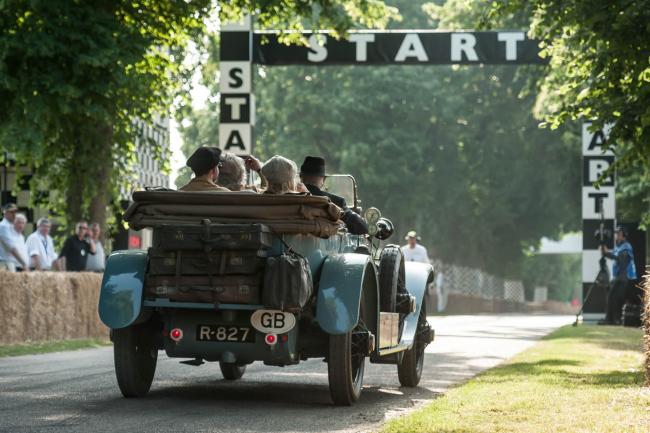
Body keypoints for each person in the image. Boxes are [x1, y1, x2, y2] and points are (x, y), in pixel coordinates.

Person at [299, 156, 368, 235]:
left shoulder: (287, 199)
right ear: (323, 179)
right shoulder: (336, 202)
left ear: (301, 177)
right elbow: (362, 227)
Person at [599, 226, 637, 325]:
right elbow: (614, 255)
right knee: (612, 297)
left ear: (624, 236)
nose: (617, 236)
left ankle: (615, 320)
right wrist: (606, 253)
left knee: (616, 298)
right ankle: (611, 320)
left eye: (619, 234)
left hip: (625, 278)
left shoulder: (626, 246)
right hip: (618, 277)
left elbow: (620, 258)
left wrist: (608, 253)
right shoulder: (619, 247)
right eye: (617, 234)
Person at [0, 205, 30, 271]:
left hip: (11, 263)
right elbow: (12, 248)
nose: (14, 214)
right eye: (11, 212)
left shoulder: (10, 227)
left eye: (15, 212)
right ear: (5, 213)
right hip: (5, 263)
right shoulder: (3, 226)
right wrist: (24, 264)